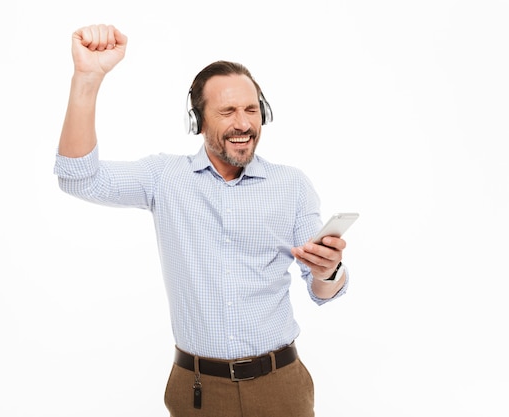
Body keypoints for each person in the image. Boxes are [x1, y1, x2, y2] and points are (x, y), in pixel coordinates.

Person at [54, 23, 350, 417]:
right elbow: (78, 177)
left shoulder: (292, 185)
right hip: (197, 390)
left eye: (251, 110)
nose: (243, 123)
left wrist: (329, 271)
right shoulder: (164, 178)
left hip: (281, 386)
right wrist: (87, 78)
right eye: (227, 111)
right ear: (197, 121)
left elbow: (322, 291)